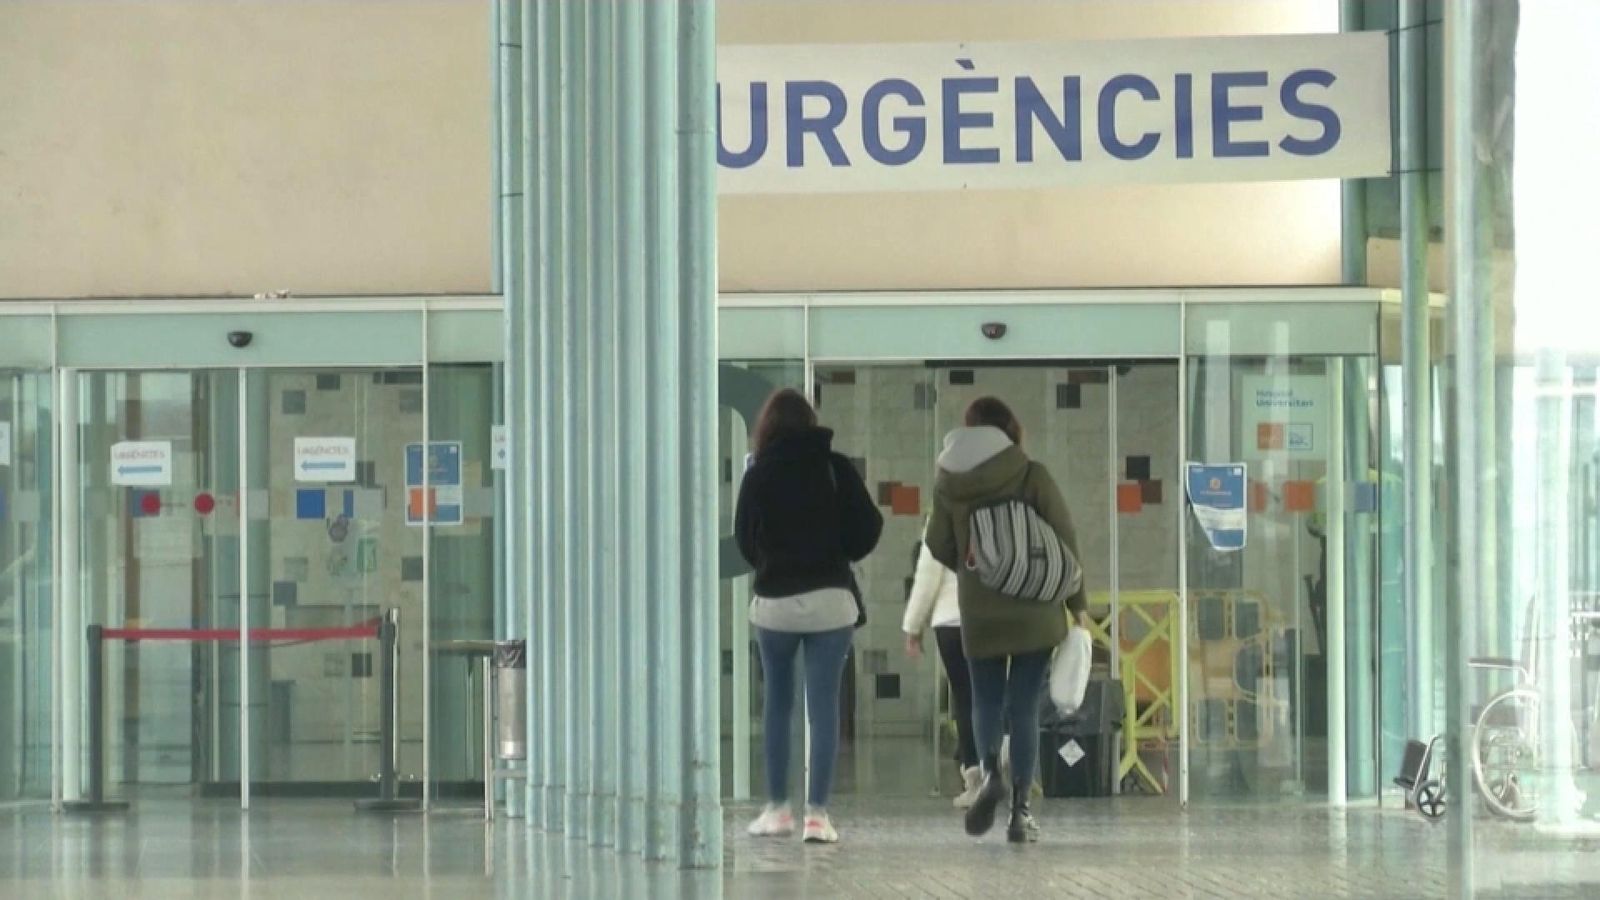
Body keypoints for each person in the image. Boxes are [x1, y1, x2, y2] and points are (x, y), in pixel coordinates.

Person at [925, 396, 1088, 844]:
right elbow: (1066, 538)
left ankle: (989, 771)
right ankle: (1020, 811)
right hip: (1036, 608)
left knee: (985, 699)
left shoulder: (949, 482)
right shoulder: (1031, 473)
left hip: (979, 610)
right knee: (1024, 706)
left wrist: (974, 569)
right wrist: (1078, 604)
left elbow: (937, 543)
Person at [735, 388, 883, 845]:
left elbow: (743, 538)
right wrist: (839, 551)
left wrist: (770, 562)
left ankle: (777, 809)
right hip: (830, 603)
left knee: (777, 706)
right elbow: (869, 528)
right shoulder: (835, 468)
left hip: (775, 604)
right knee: (823, 708)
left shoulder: (758, 474)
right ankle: (817, 816)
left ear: (767, 427)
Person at [901, 527, 983, 808]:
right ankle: (998, 769)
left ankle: (975, 778)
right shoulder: (998, 510)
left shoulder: (941, 520)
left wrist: (913, 627)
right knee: (990, 695)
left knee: (964, 697)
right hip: (991, 619)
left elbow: (927, 578)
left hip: (951, 620)